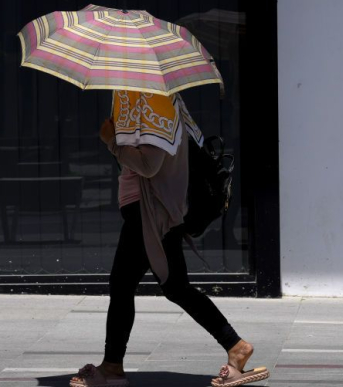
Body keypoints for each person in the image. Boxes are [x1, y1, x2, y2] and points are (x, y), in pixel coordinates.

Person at [69, 90, 259, 387]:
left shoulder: (154, 101)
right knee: (174, 287)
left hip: (149, 212)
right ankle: (236, 346)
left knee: (123, 285)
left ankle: (112, 367)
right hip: (153, 210)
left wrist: (111, 142)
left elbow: (150, 165)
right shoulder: (148, 101)